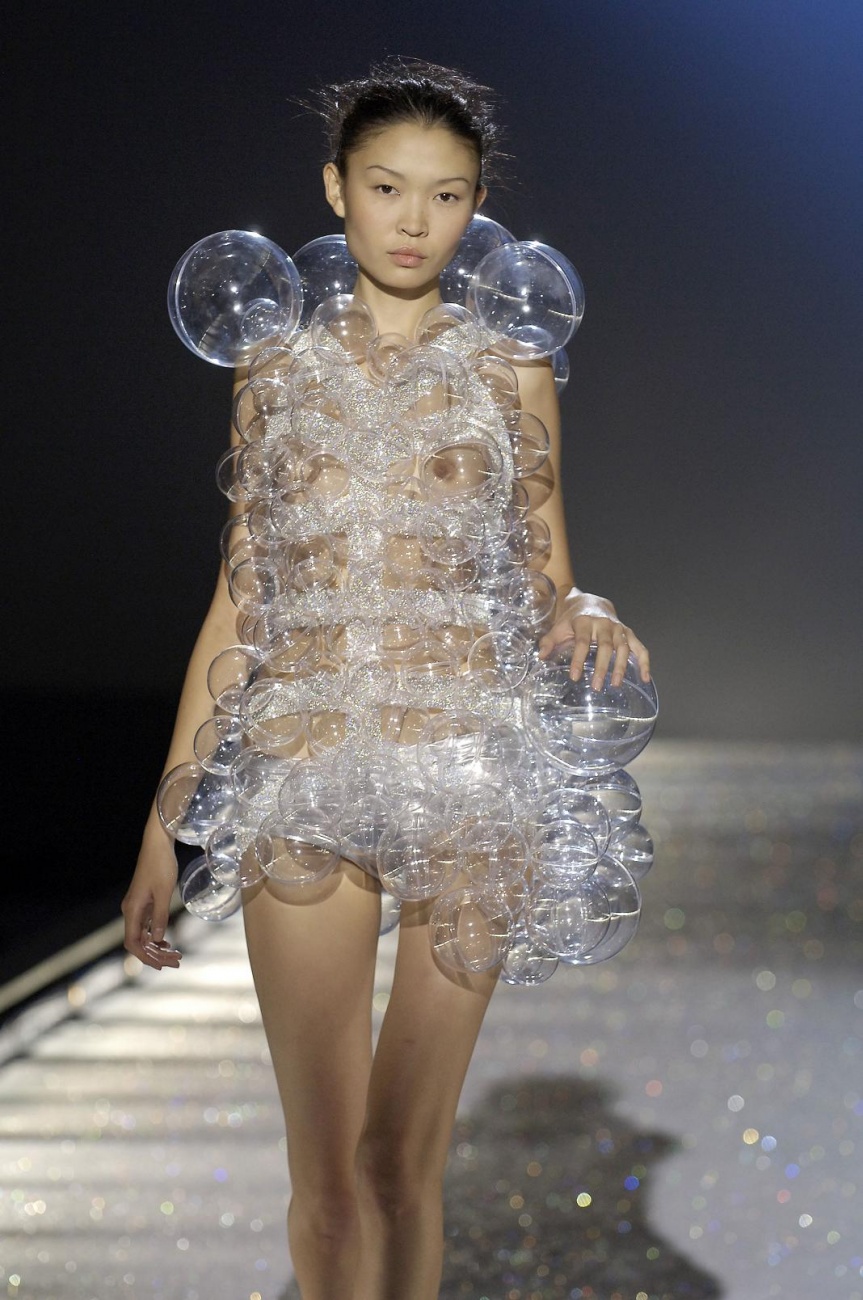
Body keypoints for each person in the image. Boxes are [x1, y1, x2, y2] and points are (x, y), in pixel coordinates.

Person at [122, 58, 650, 1300]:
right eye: (386, 187)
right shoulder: (272, 367)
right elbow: (241, 599)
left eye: (446, 194)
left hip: (470, 768)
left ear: (478, 205)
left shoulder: (509, 365)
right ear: (335, 188)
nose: (415, 221)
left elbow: (544, 575)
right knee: (323, 1179)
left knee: (398, 1164)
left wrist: (587, 606)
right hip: (303, 767)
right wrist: (164, 823)